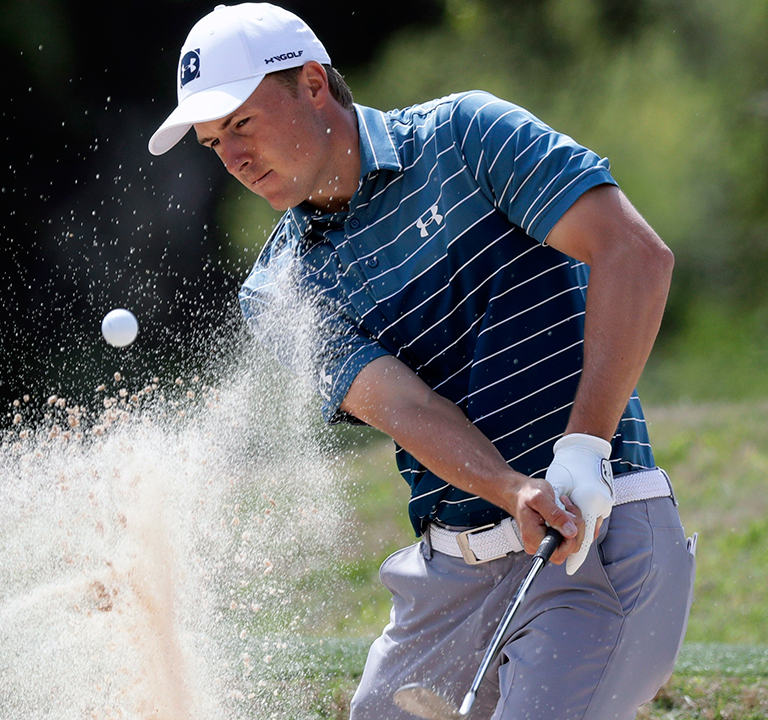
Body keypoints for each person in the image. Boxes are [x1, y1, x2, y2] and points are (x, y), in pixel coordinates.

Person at [147, 4, 696, 719]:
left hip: (596, 535)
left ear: (314, 85)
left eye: (243, 124)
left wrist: (585, 448)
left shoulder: (465, 136)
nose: (235, 159)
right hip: (451, 581)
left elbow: (636, 256)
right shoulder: (279, 291)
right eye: (214, 142)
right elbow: (407, 409)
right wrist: (510, 490)